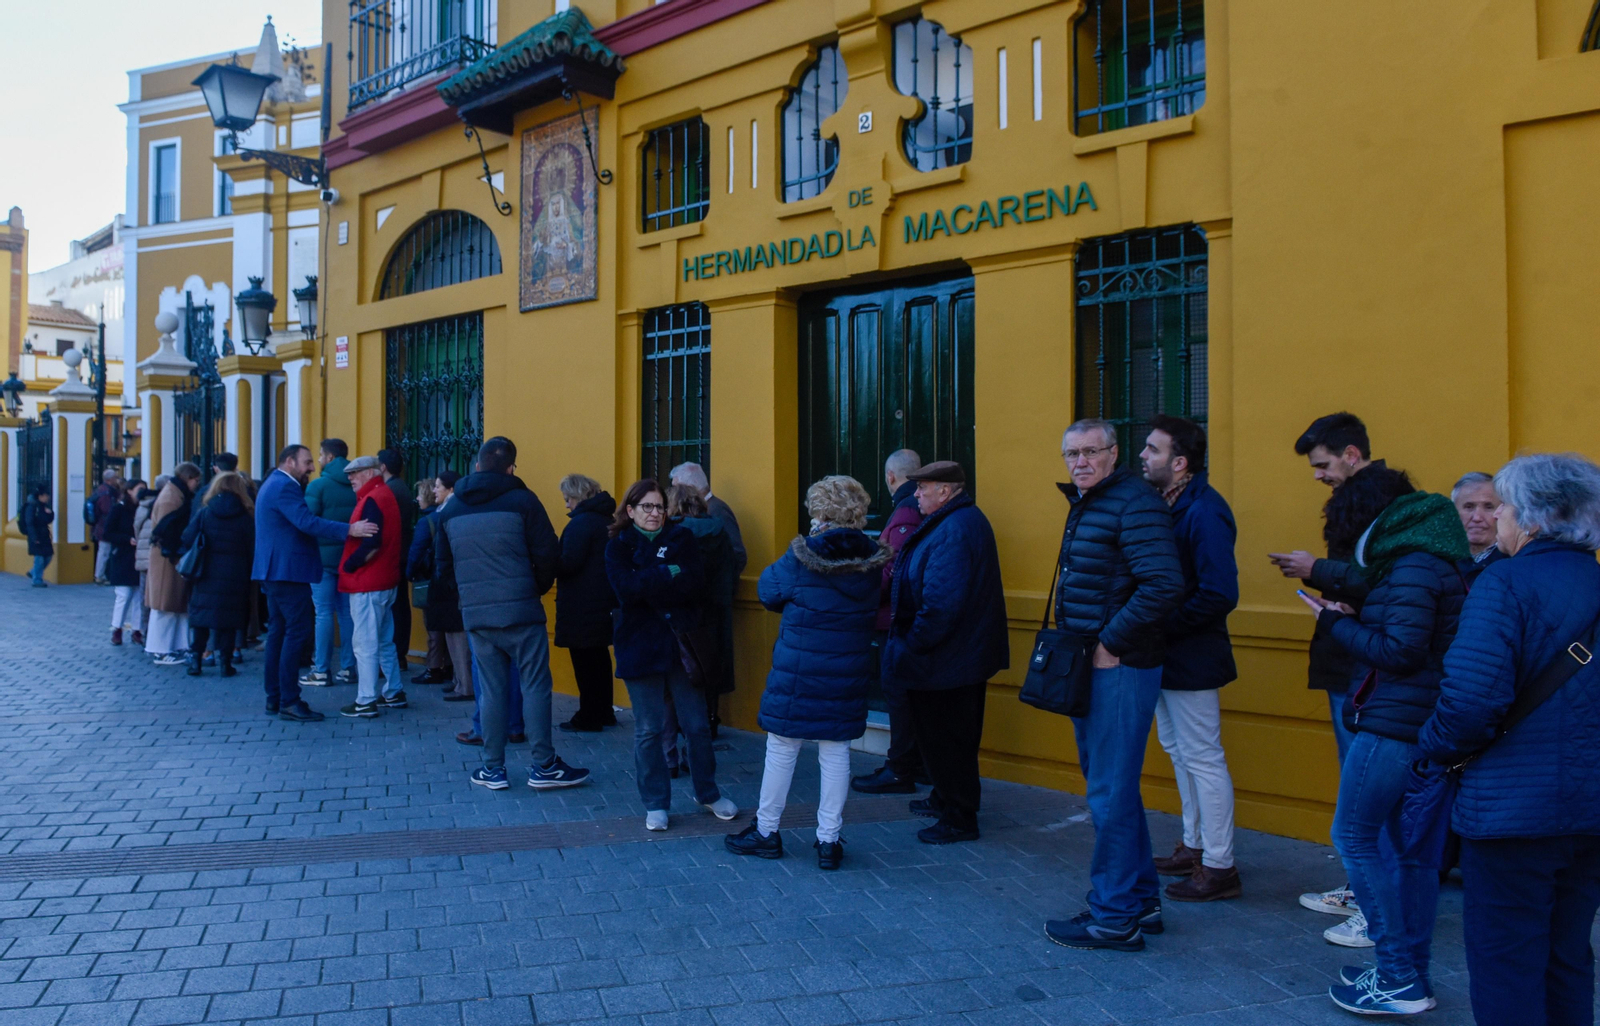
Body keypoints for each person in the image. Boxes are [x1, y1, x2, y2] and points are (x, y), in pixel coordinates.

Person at [1419, 454, 1600, 1026]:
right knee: (1569, 954)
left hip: (1512, 814)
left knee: (1506, 962)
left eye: (1501, 507)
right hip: (1591, 811)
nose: (1494, 519)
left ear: (1531, 518)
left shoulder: (1504, 582)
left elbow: (1470, 705)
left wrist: (1432, 746)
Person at [1297, 484, 1467, 1015]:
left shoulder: (1413, 565)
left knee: (1353, 835)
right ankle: (1410, 974)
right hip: (1419, 722)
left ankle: (1397, 976)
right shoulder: (1436, 560)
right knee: (1411, 856)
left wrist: (1335, 621)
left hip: (1395, 724)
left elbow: (1401, 651)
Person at [1268, 411, 1416, 941]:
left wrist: (1318, 573)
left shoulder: (1383, 506)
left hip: (1365, 668)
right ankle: (1364, 891)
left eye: (1323, 464)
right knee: (1361, 794)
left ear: (1352, 455)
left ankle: (1380, 915)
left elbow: (1380, 582)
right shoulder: (1378, 501)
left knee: (1368, 803)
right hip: (1351, 662)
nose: (1317, 475)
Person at [1040, 421, 1183, 951]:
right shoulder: (1092, 502)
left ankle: (1114, 917)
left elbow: (1165, 583)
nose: (1080, 461)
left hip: (1118, 666)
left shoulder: (1134, 502)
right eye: (1071, 453)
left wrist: (1111, 642)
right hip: (1093, 664)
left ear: (1114, 453)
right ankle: (1139, 902)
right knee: (1112, 786)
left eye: (1091, 451)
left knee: (1109, 792)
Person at [726, 475, 890, 869]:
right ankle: (828, 841)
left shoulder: (802, 555)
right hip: (846, 673)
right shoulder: (872, 561)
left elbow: (767, 591)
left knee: (783, 748)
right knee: (836, 753)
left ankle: (767, 832)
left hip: (798, 673)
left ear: (819, 511)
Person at [434, 436, 589, 790]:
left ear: (477, 466)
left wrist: (468, 597)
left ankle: (492, 769)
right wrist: (531, 588)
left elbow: (442, 567)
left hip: (477, 616)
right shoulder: (523, 500)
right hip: (521, 611)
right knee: (535, 686)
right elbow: (549, 553)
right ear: (510, 468)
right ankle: (543, 765)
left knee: (490, 691)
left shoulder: (453, 508)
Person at [1139, 416, 1243, 902]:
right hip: (1168, 653)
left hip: (1192, 654)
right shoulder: (1171, 504)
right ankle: (1194, 845)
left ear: (1179, 463)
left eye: (1152, 449)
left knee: (1202, 757)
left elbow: (1220, 592)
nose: (1142, 455)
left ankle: (1220, 866)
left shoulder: (1205, 510)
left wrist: (1161, 624)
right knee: (1181, 753)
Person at [881, 460, 1009, 848]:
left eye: (923, 488)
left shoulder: (955, 528)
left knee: (949, 740)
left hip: (948, 660)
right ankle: (945, 799)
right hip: (951, 657)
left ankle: (958, 816)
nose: (916, 494)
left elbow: (941, 604)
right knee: (943, 739)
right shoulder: (953, 521)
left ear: (946, 491)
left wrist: (914, 644)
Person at [604, 478, 736, 830]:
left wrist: (651, 576)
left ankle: (707, 793)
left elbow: (695, 582)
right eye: (646, 506)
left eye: (660, 506)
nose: (655, 513)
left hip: (682, 644)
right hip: (640, 646)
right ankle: (655, 803)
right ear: (630, 511)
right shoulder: (618, 546)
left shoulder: (682, 538)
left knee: (696, 726)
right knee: (648, 729)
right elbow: (625, 590)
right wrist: (667, 572)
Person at [255, 444, 377, 722]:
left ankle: (275, 697)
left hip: (276, 570)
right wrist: (350, 530)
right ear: (289, 462)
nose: (312, 467)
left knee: (278, 633)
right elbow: (306, 522)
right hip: (288, 571)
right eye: (307, 462)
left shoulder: (273, 483)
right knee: (296, 633)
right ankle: (288, 700)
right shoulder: (284, 487)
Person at [851, 448, 928, 796]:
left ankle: (901, 767)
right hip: (910, 618)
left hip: (895, 621)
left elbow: (893, 571)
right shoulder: (918, 508)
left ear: (891, 477)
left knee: (898, 694)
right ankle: (917, 763)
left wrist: (864, 590)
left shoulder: (905, 512)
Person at [660, 484, 737, 771]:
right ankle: (698, 756)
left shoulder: (671, 536)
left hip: (678, 620)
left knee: (670, 690)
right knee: (702, 685)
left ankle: (669, 756)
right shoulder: (719, 531)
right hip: (712, 619)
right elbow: (733, 568)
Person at [669, 461, 745, 730]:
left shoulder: (717, 512)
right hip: (713, 606)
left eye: (675, 487)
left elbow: (737, 555)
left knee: (701, 665)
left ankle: (704, 721)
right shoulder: (712, 515)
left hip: (707, 608)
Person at [338, 456, 407, 717]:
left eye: (354, 473)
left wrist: (349, 566)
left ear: (369, 473)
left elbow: (372, 542)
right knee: (384, 640)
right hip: (384, 580)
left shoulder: (373, 499)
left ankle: (366, 700)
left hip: (368, 582)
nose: (350, 478)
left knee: (365, 643)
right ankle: (394, 691)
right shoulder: (382, 494)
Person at [553, 473, 619, 732]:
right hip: (603, 602)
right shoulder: (605, 519)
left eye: (568, 499)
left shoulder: (581, 524)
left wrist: (551, 558)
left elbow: (569, 563)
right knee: (599, 659)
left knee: (585, 663)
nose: (566, 505)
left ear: (578, 497)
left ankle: (588, 715)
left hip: (582, 604)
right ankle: (604, 711)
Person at [180, 471, 257, 677]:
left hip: (206, 571)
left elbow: (187, 537)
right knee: (228, 620)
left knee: (201, 618)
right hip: (236, 573)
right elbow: (253, 546)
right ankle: (226, 663)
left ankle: (196, 661)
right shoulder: (246, 515)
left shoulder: (205, 512)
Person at [303, 439, 357, 687]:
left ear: (331, 457)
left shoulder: (318, 486)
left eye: (321, 456)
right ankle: (348, 668)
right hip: (349, 558)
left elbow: (307, 522)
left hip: (322, 560)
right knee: (347, 614)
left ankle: (322, 670)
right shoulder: (357, 484)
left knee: (323, 613)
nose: (319, 461)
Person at [146, 464, 203, 665]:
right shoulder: (172, 496)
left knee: (174, 604)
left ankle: (177, 646)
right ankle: (160, 649)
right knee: (165, 605)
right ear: (189, 478)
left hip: (169, 556)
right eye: (196, 480)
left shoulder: (174, 493)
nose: (197, 484)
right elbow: (166, 528)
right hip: (167, 557)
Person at [379, 448, 418, 673]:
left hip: (394, 555)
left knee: (394, 608)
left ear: (383, 467)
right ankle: (398, 655)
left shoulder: (390, 490)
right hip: (402, 553)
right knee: (399, 605)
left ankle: (395, 656)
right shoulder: (400, 487)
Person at [410, 476, 452, 685]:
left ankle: (433, 667)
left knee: (433, 626)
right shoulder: (442, 516)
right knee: (448, 626)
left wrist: (409, 572)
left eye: (419, 494)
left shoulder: (425, 522)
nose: (417, 499)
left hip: (429, 579)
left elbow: (416, 552)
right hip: (446, 579)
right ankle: (448, 666)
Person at [1451, 471, 1505, 587]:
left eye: (1488, 507)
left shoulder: (1513, 560)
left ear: (1502, 511)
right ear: (1453, 512)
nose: (1477, 518)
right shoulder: (1440, 561)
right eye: (1469, 507)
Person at [103, 484, 142, 644]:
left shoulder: (143, 508)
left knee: (140, 596)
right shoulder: (118, 509)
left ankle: (137, 630)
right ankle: (117, 628)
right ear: (129, 491)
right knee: (124, 595)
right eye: (138, 489)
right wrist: (127, 539)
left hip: (140, 556)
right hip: (123, 556)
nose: (141, 492)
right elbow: (108, 533)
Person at [133, 476, 163, 643]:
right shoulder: (159, 505)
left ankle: (145, 631)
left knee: (145, 597)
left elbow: (136, 531)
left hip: (142, 557)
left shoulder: (141, 507)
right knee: (156, 597)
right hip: (155, 555)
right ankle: (153, 633)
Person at [91, 468, 122, 584]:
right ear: (110, 479)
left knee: (105, 551)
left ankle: (102, 575)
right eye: (115, 478)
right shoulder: (106, 493)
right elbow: (107, 510)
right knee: (104, 552)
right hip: (105, 526)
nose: (117, 480)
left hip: (102, 526)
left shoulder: (102, 490)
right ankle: (99, 575)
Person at [21, 486, 53, 587]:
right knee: (39, 558)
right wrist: (34, 538)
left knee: (48, 556)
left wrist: (51, 513)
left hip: (44, 535)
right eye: (46, 496)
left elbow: (47, 520)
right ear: (40, 496)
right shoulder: (31, 506)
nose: (48, 498)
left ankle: (33, 572)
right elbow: (29, 523)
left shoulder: (43, 506)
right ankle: (37, 580)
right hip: (36, 535)